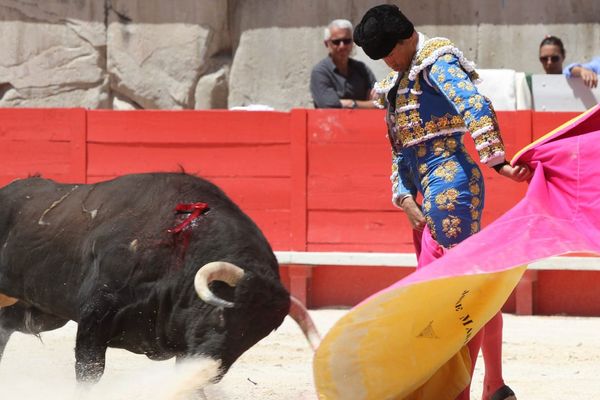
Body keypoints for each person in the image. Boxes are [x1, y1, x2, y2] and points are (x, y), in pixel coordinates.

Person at [353, 5, 532, 400]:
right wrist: (403, 197)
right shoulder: (398, 82)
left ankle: (460, 392)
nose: (387, 61)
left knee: (455, 295)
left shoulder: (437, 60)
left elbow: (476, 105)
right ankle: (495, 385)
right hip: (424, 197)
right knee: (471, 289)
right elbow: (400, 152)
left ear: (404, 37)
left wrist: (498, 161)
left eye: (388, 52)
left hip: (452, 187)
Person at [310, 19, 377, 109]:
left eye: (346, 41)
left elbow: (379, 103)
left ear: (352, 42)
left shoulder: (362, 69)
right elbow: (329, 105)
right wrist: (366, 105)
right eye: (336, 42)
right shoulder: (320, 71)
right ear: (327, 44)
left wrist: (350, 103)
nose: (342, 46)